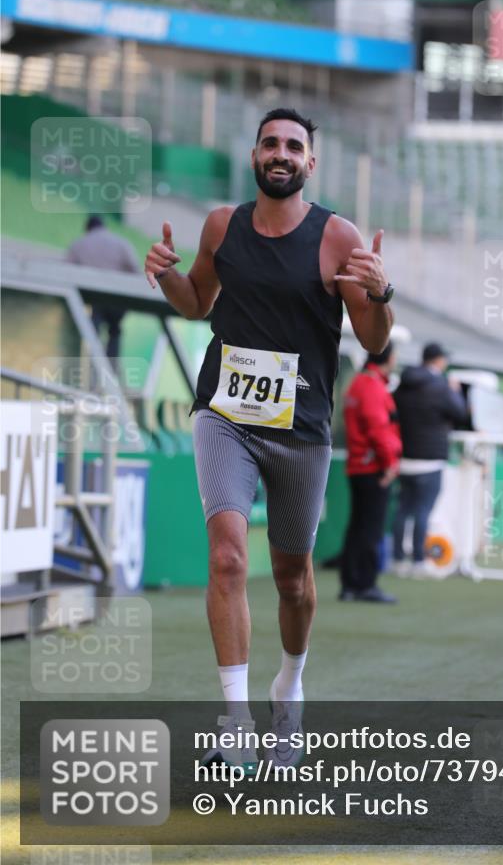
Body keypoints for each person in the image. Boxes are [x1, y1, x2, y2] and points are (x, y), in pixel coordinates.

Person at [144, 107, 394, 770]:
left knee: (292, 581)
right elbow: (197, 302)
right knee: (227, 556)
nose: (279, 153)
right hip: (224, 414)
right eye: (269, 143)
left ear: (310, 162)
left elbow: (373, 341)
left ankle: (290, 685)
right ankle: (235, 720)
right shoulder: (222, 225)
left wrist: (381, 292)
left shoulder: (336, 238)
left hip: (301, 430)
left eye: (293, 146)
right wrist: (165, 273)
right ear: (254, 156)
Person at [391, 342, 469, 577]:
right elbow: (460, 412)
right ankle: (418, 561)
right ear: (437, 360)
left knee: (403, 510)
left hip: (405, 457)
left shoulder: (403, 385)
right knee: (423, 510)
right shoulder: (440, 386)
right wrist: (455, 391)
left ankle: (397, 561)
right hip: (431, 458)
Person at [339, 341, 402, 604]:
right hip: (372, 465)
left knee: (358, 526)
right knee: (370, 528)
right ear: (388, 357)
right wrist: (389, 463)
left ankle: (351, 584)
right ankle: (364, 584)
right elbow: (378, 428)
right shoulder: (372, 386)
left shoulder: (358, 383)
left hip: (360, 464)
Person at [66, 215, 140, 360]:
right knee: (115, 330)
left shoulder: (80, 244)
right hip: (118, 299)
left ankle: (94, 367)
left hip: (94, 299)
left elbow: (67, 269)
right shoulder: (121, 243)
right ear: (103, 226)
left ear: (88, 229)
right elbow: (135, 270)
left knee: (93, 332)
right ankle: (111, 368)